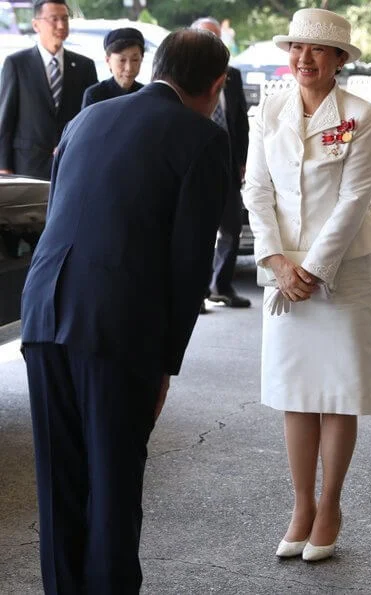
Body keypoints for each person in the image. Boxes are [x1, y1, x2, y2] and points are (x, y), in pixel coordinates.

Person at [21, 29, 230, 594]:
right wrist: (166, 364)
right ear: (216, 86)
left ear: (157, 65)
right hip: (116, 324)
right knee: (112, 484)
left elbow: (60, 205)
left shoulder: (87, 117)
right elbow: (189, 265)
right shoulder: (202, 138)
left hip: (42, 309)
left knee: (60, 482)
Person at [243, 8, 371, 562]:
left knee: (337, 391)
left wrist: (313, 268)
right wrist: (277, 262)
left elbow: (354, 200)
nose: (303, 59)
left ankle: (331, 505)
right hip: (284, 271)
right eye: (296, 48)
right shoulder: (268, 110)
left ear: (340, 60)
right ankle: (301, 505)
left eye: (318, 50)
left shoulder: (362, 114)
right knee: (294, 393)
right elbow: (256, 190)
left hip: (343, 269)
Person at [0, 0, 97, 180]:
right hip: (27, 165)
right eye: (54, 19)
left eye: (65, 19)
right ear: (36, 25)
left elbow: (90, 118)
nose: (61, 25)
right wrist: (4, 166)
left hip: (71, 163)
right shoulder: (17, 64)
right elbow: (5, 119)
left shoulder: (85, 66)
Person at [192, 17, 251, 310]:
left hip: (228, 161)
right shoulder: (187, 76)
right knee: (198, 229)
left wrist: (242, 160)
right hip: (196, 162)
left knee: (232, 226)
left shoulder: (233, 75)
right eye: (206, 38)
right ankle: (197, 291)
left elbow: (240, 120)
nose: (213, 45)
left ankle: (222, 286)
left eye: (217, 39)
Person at [82, 27, 145, 108]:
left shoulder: (145, 94)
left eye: (135, 60)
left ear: (142, 59)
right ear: (108, 61)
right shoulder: (95, 95)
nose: (129, 68)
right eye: (122, 60)